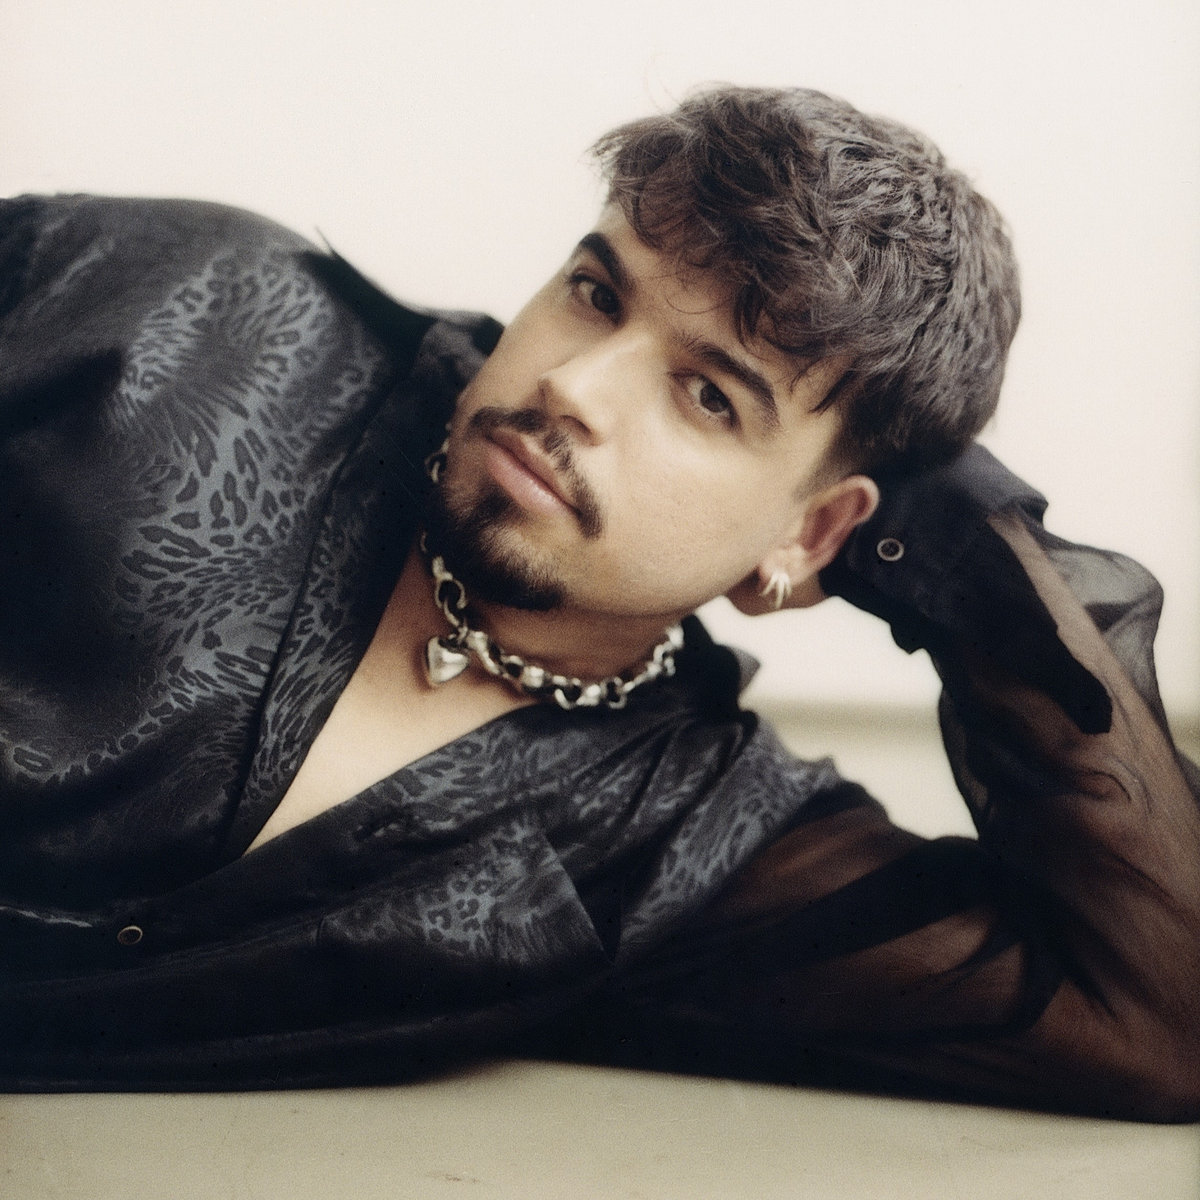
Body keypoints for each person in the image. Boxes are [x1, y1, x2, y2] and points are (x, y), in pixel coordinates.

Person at [1, 87, 1197, 1121]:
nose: (573, 384)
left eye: (710, 397)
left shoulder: (679, 835)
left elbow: (1160, 1024)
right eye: (593, 293)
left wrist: (964, 541)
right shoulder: (182, 315)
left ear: (814, 534)